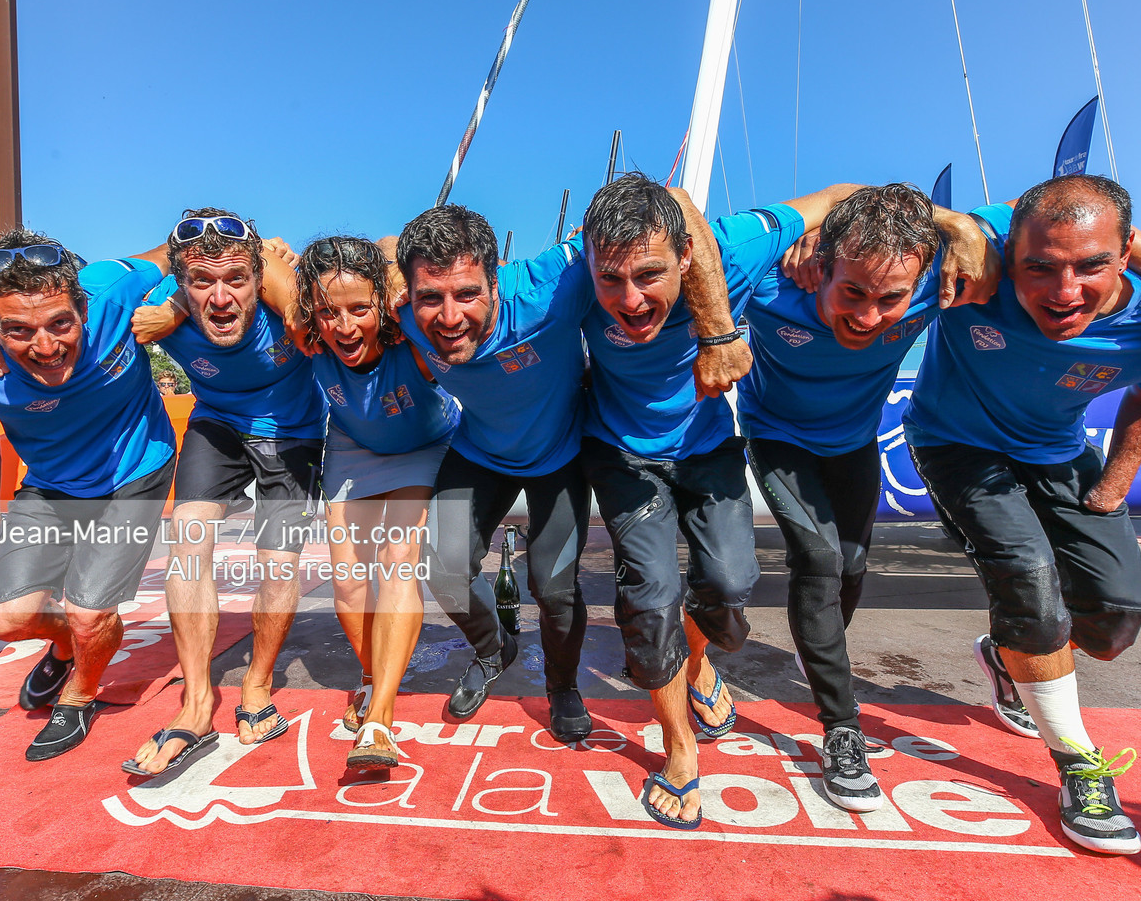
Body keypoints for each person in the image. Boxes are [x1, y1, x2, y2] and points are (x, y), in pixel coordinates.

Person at [578, 174, 931, 829]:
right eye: (611, 281)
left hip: (709, 445)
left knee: (731, 582)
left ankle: (698, 662)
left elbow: (845, 194)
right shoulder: (575, 269)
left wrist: (959, 226)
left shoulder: (740, 249)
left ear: (688, 254)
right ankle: (680, 749)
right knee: (650, 594)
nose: (629, 300)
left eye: (649, 275)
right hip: (619, 450)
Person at [903, 174, 1141, 854]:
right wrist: (954, 224)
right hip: (954, 440)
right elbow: (862, 209)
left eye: (1091, 266)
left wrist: (1112, 489)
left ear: (1127, 253)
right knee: (1028, 577)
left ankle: (1008, 654)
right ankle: (1080, 764)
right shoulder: (979, 254)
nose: (1064, 291)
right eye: (1040, 267)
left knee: (1113, 620)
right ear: (1011, 248)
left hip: (1057, 450)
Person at [395, 203, 746, 744]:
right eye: (429, 298)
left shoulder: (550, 286)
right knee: (442, 568)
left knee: (553, 586)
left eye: (467, 294)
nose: (448, 316)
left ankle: (561, 685)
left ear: (497, 276)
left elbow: (671, 206)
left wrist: (719, 332)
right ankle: (495, 652)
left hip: (560, 455)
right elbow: (322, 278)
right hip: (480, 449)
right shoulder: (396, 306)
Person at [741, 183, 1001, 811]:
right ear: (821, 264)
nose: (866, 315)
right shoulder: (772, 282)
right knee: (819, 561)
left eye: (890, 300)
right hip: (778, 437)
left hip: (853, 442)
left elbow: (1059, 221)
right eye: (851, 292)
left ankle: (818, 648)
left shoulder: (942, 275)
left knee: (853, 568)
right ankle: (841, 729)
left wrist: (963, 225)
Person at [0, 231, 177, 760]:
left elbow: (171, 252)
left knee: (90, 612)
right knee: (6, 619)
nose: (46, 347)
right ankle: (67, 646)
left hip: (135, 470)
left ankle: (81, 693)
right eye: (18, 330)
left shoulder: (110, 289)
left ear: (83, 309)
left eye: (60, 323)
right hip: (50, 485)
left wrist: (177, 307)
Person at [119, 209, 325, 776]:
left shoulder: (288, 298)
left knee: (278, 564)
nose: (221, 298)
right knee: (188, 543)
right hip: (218, 424)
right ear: (180, 281)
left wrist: (283, 279)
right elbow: (83, 292)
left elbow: (312, 293)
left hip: (293, 431)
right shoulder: (157, 308)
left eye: (236, 279)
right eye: (202, 283)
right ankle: (196, 703)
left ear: (259, 278)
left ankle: (257, 687)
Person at [295, 235, 459, 768]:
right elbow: (272, 269)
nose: (345, 327)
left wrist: (392, 275)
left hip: (422, 445)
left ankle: (381, 719)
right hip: (352, 445)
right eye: (328, 312)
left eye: (359, 309)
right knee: (345, 582)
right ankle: (373, 678)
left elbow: (393, 243)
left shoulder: (408, 336)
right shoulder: (310, 337)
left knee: (396, 560)